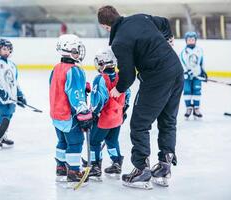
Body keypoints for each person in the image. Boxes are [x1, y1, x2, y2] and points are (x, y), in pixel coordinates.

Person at [97, 5, 184, 189]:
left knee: (139, 124)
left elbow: (127, 74)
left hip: (156, 77)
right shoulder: (140, 18)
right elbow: (165, 22)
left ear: (105, 26)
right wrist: (168, 39)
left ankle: (141, 170)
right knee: (168, 120)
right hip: (176, 70)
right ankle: (164, 167)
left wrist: (118, 90)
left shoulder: (119, 41)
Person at [50, 34, 93, 187]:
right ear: (69, 50)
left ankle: (61, 168)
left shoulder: (56, 68)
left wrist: (83, 86)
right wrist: (84, 113)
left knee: (62, 141)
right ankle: (74, 172)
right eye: (76, 50)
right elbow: (76, 95)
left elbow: (60, 88)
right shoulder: (75, 70)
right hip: (69, 115)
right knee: (75, 142)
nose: (78, 53)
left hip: (56, 115)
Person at [88, 47, 130, 181]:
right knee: (112, 140)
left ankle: (95, 166)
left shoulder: (99, 79)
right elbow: (127, 94)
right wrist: (123, 111)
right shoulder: (121, 77)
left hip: (104, 119)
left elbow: (100, 99)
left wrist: (93, 114)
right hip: (117, 117)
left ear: (102, 63)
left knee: (94, 141)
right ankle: (116, 162)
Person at [0, 39, 27, 149]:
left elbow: (14, 82)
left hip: (11, 97)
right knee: (4, 117)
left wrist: (20, 95)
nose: (7, 52)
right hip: (0, 96)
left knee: (9, 116)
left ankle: (2, 136)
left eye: (9, 49)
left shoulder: (12, 65)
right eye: (4, 49)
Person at [180, 31, 207, 119]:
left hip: (197, 75)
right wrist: (186, 71)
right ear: (186, 41)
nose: (191, 41)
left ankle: (196, 109)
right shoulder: (183, 52)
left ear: (195, 40)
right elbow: (182, 63)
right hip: (187, 76)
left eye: (193, 39)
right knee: (187, 91)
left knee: (197, 92)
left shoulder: (199, 50)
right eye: (189, 40)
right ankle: (188, 108)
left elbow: (201, 62)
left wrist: (203, 72)